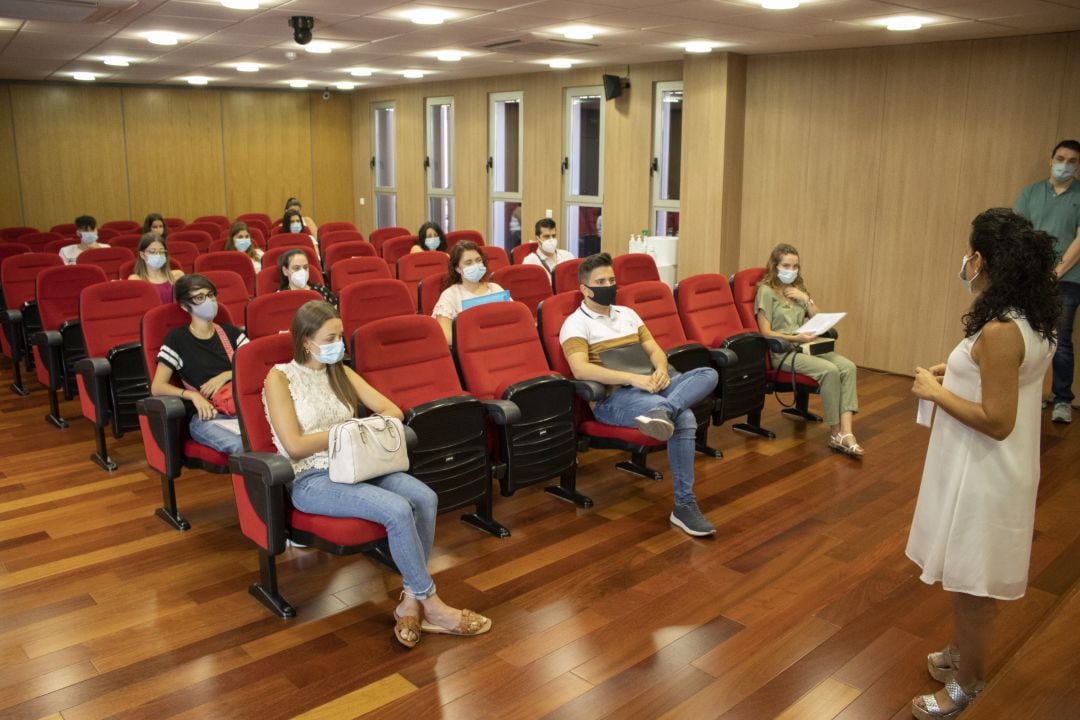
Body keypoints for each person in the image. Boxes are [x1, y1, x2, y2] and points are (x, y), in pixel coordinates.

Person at [263, 300, 492, 647]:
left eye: (340, 336)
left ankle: (410, 603)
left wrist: (356, 429)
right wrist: (348, 430)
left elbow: (392, 411)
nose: (339, 344)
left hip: (358, 464)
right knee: (398, 509)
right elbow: (294, 445)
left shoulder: (340, 371)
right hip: (313, 478)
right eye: (330, 338)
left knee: (425, 497)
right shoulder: (280, 377)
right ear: (306, 341)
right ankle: (434, 605)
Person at [906, 208, 1059, 720]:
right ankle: (959, 653)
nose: (966, 261)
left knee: (973, 589)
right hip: (992, 469)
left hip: (985, 469)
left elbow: (997, 419)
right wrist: (954, 373)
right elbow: (1011, 379)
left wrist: (932, 389)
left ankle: (968, 685)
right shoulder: (1032, 317)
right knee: (965, 576)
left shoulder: (1000, 329)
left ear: (982, 259)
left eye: (971, 253)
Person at [559, 252, 719, 537]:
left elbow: (655, 349)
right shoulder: (575, 323)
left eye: (611, 279)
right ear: (584, 289)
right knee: (686, 418)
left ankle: (663, 411)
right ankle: (684, 506)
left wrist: (659, 369)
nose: (609, 285)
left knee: (709, 373)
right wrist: (634, 378)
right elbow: (580, 370)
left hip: (655, 384)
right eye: (601, 281)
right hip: (616, 398)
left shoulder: (628, 314)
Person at [755, 243, 863, 457]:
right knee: (829, 371)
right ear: (775, 265)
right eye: (786, 265)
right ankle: (835, 434)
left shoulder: (798, 289)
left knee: (848, 367)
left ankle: (847, 433)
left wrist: (806, 299)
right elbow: (766, 332)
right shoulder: (765, 291)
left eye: (795, 266)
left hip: (807, 347)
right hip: (784, 352)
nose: (791, 271)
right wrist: (795, 337)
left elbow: (817, 317)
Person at [1013, 139, 1080, 424]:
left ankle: (1062, 399)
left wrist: (1056, 271)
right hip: (1030, 277)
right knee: (1026, 336)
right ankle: (1030, 394)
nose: (1064, 164)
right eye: (1060, 158)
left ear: (1078, 166)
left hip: (1068, 279)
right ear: (1051, 159)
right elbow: (1018, 230)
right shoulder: (1031, 192)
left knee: (1060, 340)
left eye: (1072, 161)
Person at [151, 274, 248, 455]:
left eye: (211, 295)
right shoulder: (177, 339)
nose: (209, 301)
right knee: (243, 445)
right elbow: (157, 387)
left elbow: (256, 367)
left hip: (243, 408)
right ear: (184, 305)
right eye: (200, 297)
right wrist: (192, 396)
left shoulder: (230, 332)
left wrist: (228, 374)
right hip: (208, 415)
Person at [432, 241, 505, 344]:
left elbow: (513, 320)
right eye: (468, 262)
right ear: (457, 268)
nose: (475, 265)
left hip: (502, 345)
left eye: (478, 260)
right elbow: (446, 336)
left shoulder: (495, 288)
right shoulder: (450, 295)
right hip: (471, 351)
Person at [129, 233, 184, 304]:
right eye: (152, 252)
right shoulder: (136, 279)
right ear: (142, 255)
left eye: (161, 252)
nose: (158, 255)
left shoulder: (178, 275)